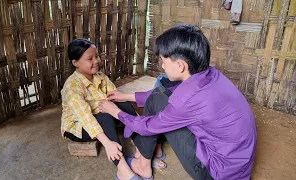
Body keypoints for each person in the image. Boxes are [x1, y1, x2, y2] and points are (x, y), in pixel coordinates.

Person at [99, 24, 257, 180]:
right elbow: (172, 93)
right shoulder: (211, 74)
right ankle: (153, 153)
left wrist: (114, 111)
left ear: (180, 65)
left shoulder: (187, 99)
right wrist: (125, 96)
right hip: (238, 165)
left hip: (216, 173)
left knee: (156, 102)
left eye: (163, 61)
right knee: (160, 92)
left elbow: (147, 126)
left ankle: (143, 164)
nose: (162, 65)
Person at [60, 38, 165, 180]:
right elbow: (86, 118)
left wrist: (122, 101)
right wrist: (107, 144)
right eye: (90, 58)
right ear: (75, 63)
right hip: (78, 126)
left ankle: (142, 152)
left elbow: (115, 96)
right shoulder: (72, 86)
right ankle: (122, 168)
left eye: (96, 56)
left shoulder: (99, 76)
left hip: (100, 113)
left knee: (124, 103)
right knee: (105, 118)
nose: (96, 61)